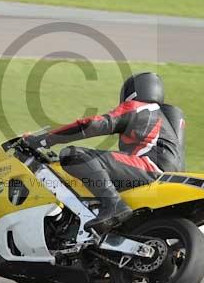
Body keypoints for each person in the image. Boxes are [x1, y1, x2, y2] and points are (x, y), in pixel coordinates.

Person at [23, 72, 185, 234]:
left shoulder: (139, 107)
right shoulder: (165, 120)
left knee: (73, 154)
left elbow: (92, 125)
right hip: (169, 179)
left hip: (149, 168)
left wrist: (45, 139)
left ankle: (112, 204)